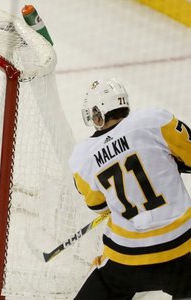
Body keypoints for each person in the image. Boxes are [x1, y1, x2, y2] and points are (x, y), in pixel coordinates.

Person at [69, 79, 191, 299]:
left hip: (127, 259)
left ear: (98, 114)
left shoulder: (81, 157)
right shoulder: (155, 120)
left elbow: (98, 205)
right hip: (183, 247)